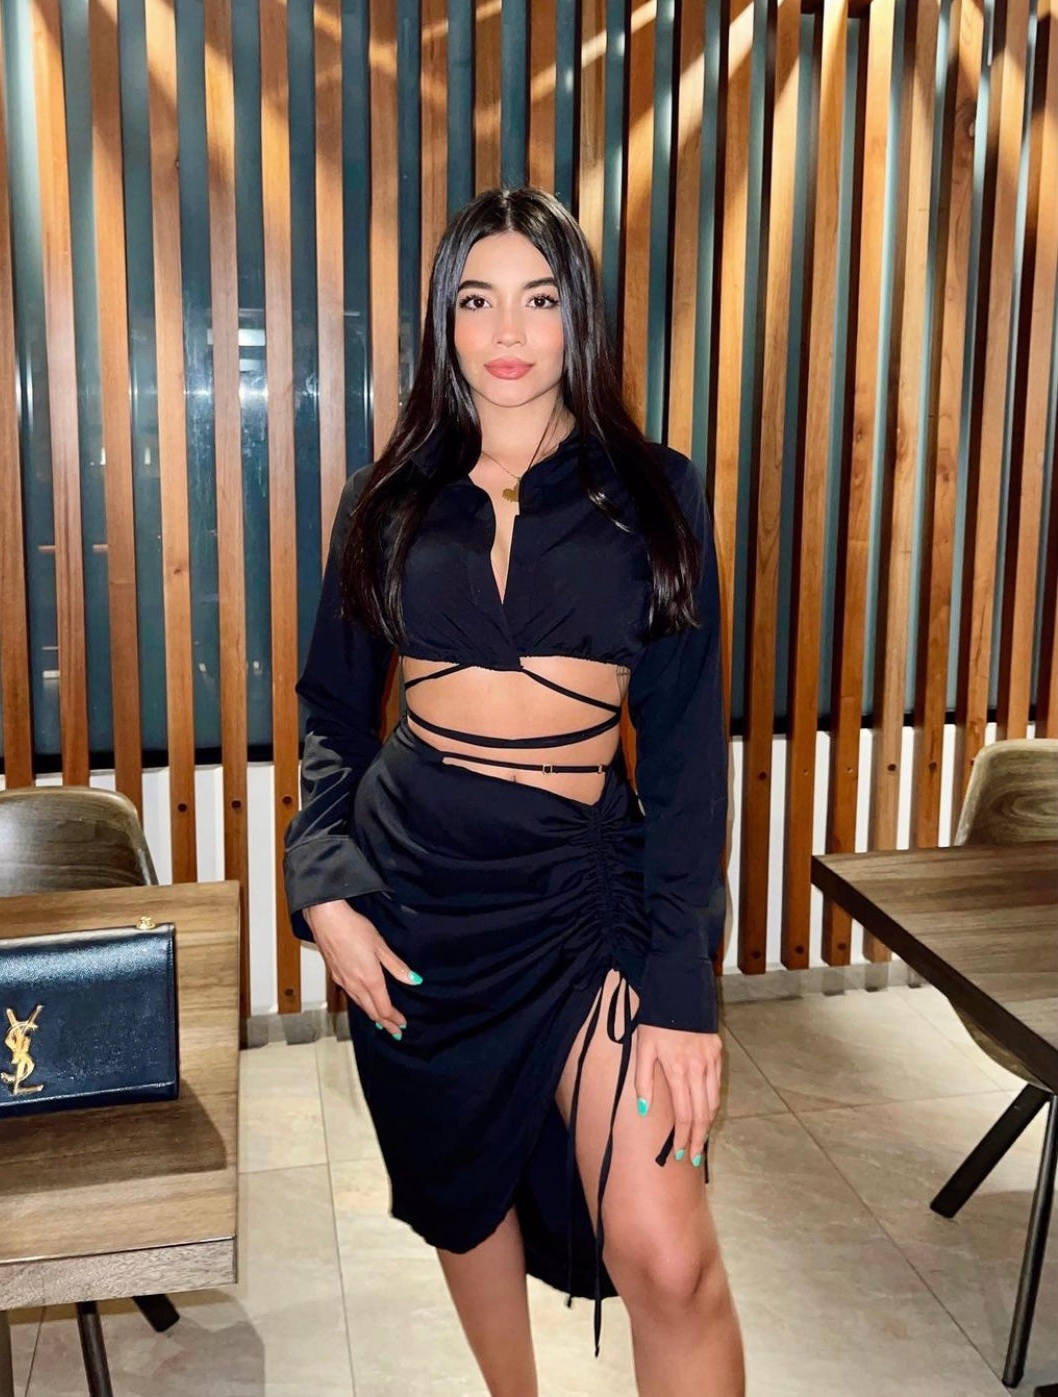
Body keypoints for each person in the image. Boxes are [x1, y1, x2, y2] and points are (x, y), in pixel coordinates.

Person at [283, 186, 745, 1397]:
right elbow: (333, 711)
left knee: (670, 1255)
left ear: (577, 316)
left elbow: (686, 757)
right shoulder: (385, 498)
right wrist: (326, 890)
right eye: (477, 299)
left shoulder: (654, 491)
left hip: (582, 900)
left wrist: (682, 988)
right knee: (461, 1196)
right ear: (444, 319)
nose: (507, 331)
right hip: (415, 905)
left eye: (539, 299)